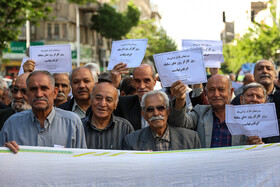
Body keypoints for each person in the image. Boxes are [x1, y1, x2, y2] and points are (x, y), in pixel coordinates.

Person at [0, 71, 87, 153]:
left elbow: (82, 160)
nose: (39, 94)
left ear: (55, 93)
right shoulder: (12, 123)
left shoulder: (72, 123)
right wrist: (5, 153)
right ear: (28, 93)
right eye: (33, 89)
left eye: (44, 88)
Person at [174, 74, 246, 148]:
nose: (216, 94)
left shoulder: (243, 117)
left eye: (221, 90)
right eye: (211, 90)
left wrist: (254, 142)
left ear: (231, 92)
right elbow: (180, 122)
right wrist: (180, 100)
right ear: (206, 93)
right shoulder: (200, 112)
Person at [112, 63, 187, 130]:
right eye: (137, 81)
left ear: (154, 82)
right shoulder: (123, 103)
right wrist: (114, 85)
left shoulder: (168, 104)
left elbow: (178, 124)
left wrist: (180, 100)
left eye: (146, 81)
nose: (142, 86)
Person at [122, 90, 201, 151]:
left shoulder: (191, 138)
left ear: (168, 111)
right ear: (144, 115)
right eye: (150, 109)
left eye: (160, 108)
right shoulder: (131, 141)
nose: (156, 113)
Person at [82, 82, 134, 149]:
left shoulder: (125, 128)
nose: (103, 104)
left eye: (108, 100)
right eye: (98, 98)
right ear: (91, 101)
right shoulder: (79, 126)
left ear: (115, 105)